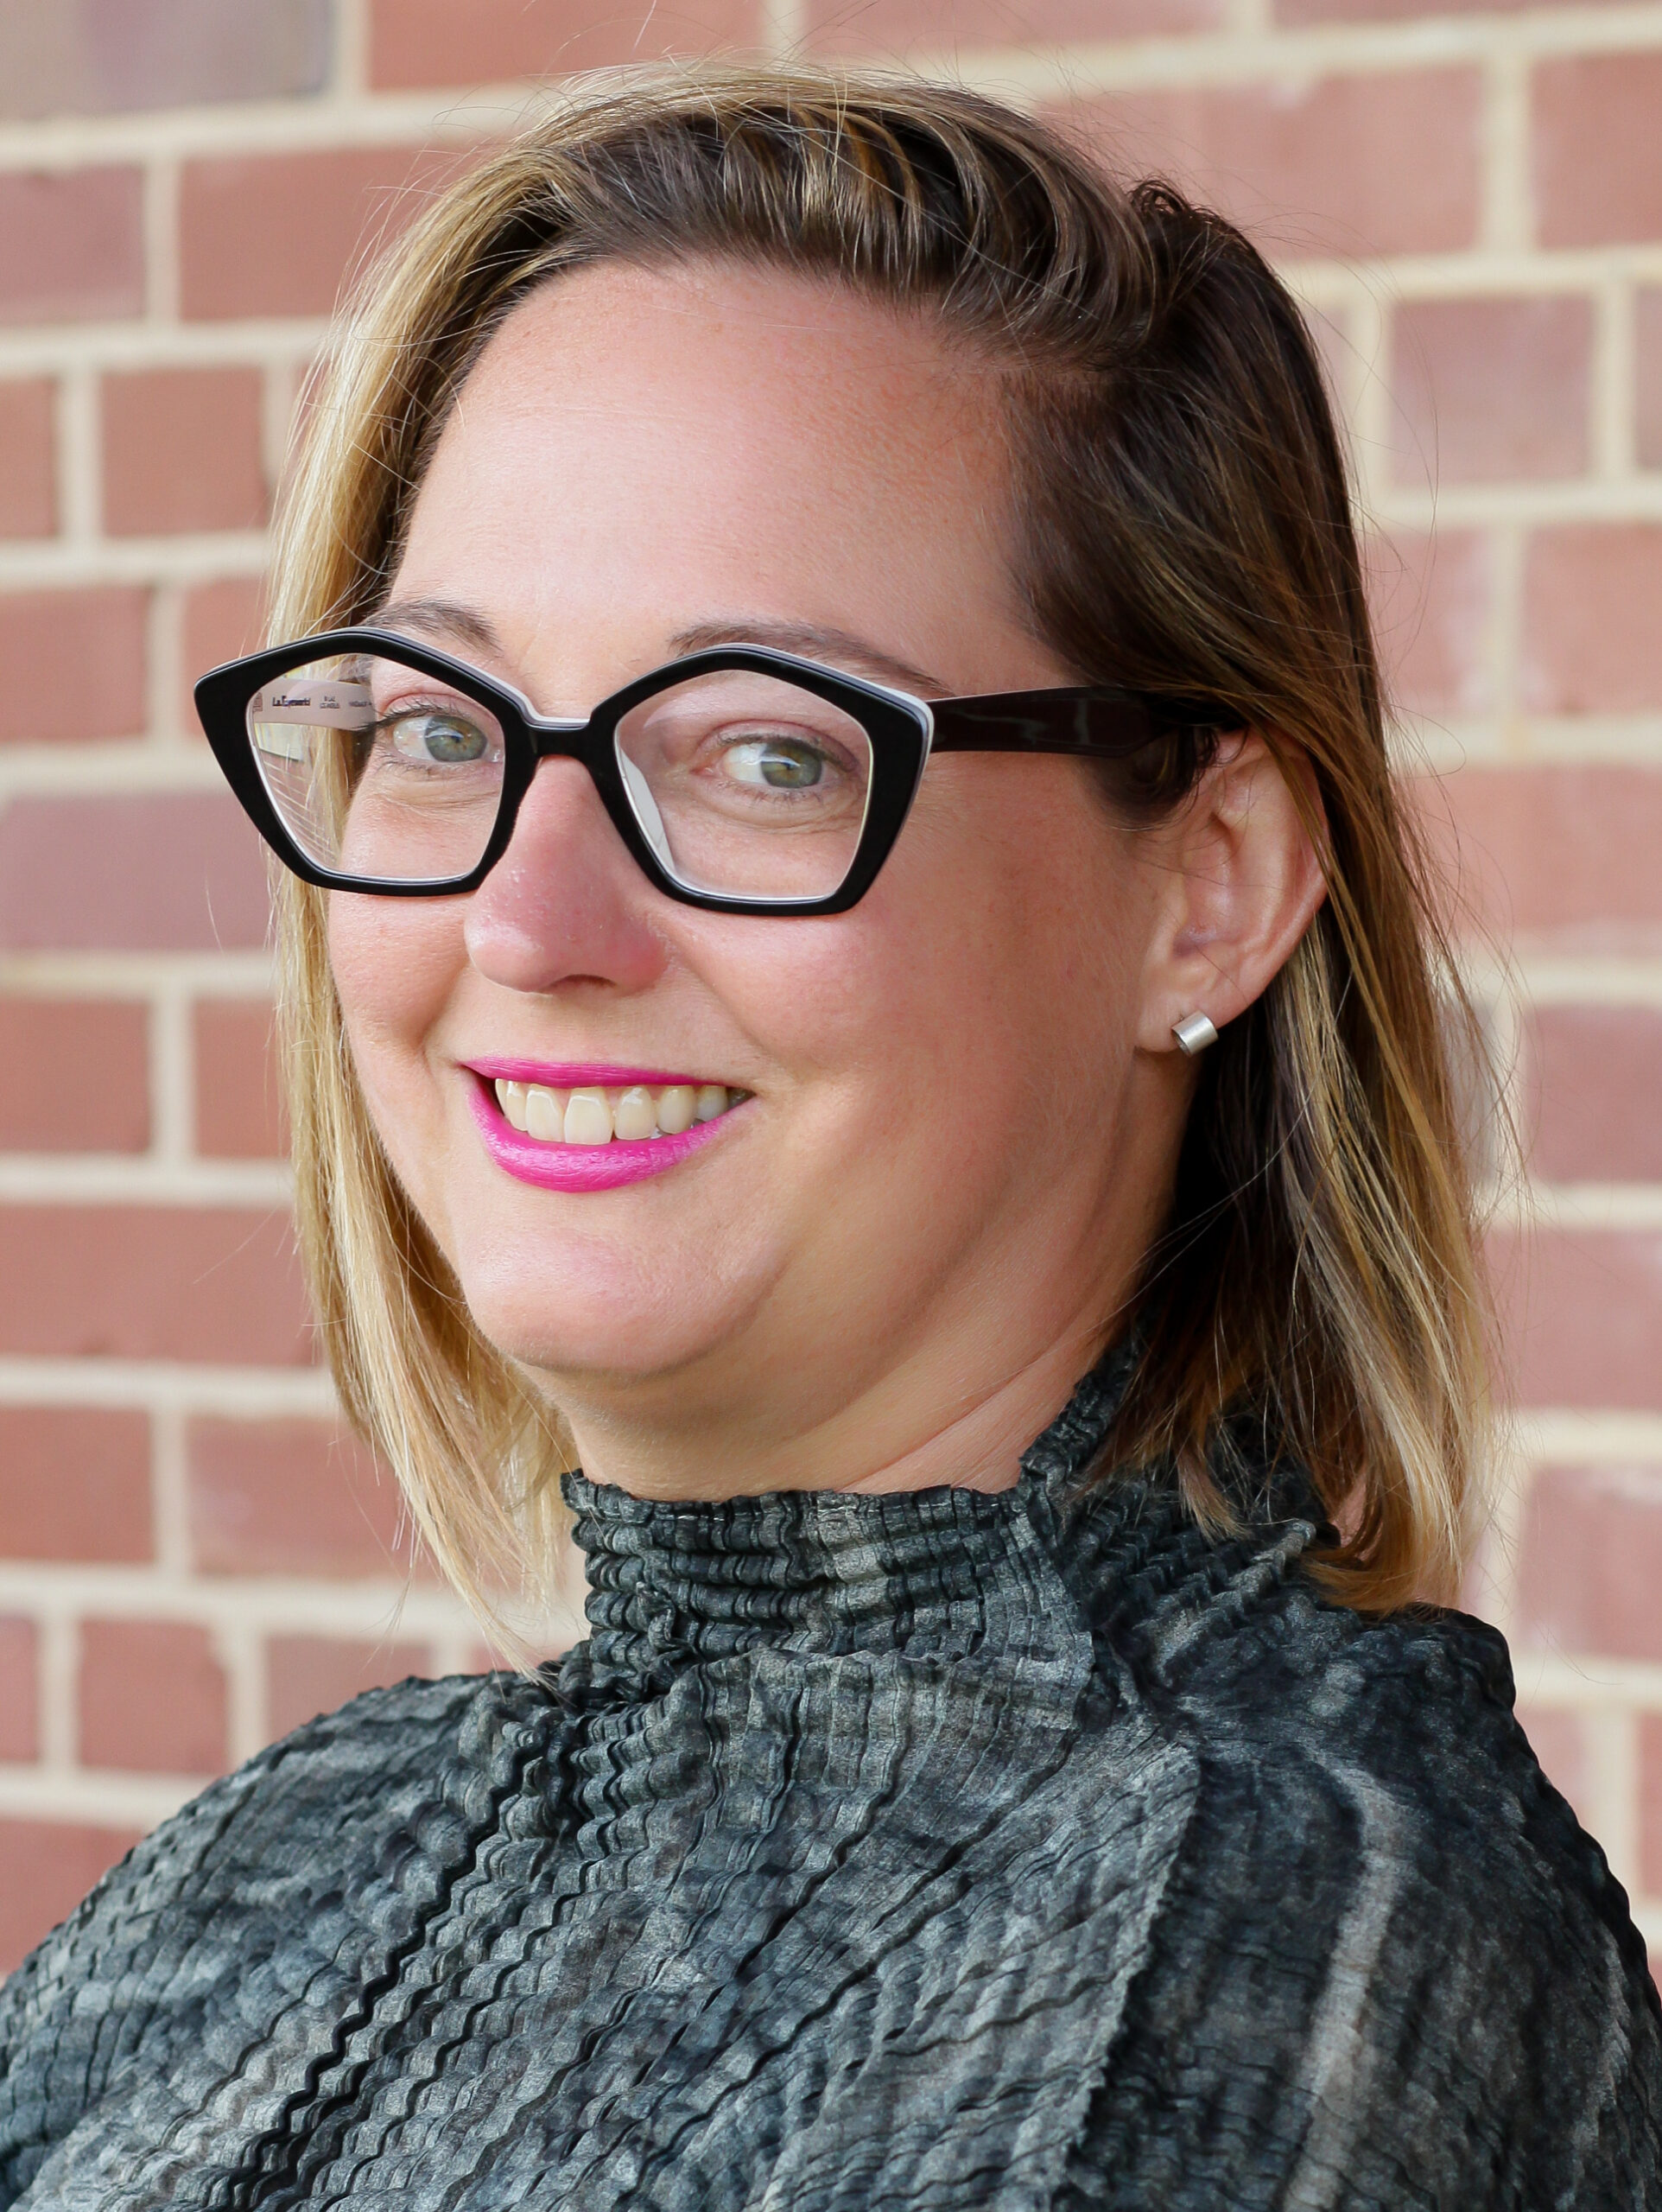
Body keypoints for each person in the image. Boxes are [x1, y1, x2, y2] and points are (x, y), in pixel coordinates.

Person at [1, 67, 1657, 2210]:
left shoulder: (1257, 1954)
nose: (525, 920)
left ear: (1210, 880)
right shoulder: (290, 1864)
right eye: (436, 726)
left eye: (767, 753)